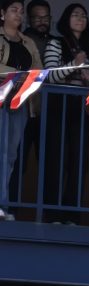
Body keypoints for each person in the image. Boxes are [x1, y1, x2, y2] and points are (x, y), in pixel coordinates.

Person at [41, 3, 89, 222]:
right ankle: (52, 213)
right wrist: (74, 64)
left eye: (84, 15)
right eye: (75, 15)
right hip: (58, 107)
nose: (80, 18)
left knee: (79, 161)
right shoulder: (55, 42)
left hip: (80, 108)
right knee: (57, 159)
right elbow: (49, 76)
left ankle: (72, 213)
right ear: (66, 19)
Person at [0, 0, 41, 222]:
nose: (19, 15)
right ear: (2, 13)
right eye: (14, 10)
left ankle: (3, 205)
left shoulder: (28, 42)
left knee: (11, 156)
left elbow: (39, 70)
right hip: (0, 99)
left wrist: (28, 77)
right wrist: (16, 74)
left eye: (21, 11)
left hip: (20, 102)